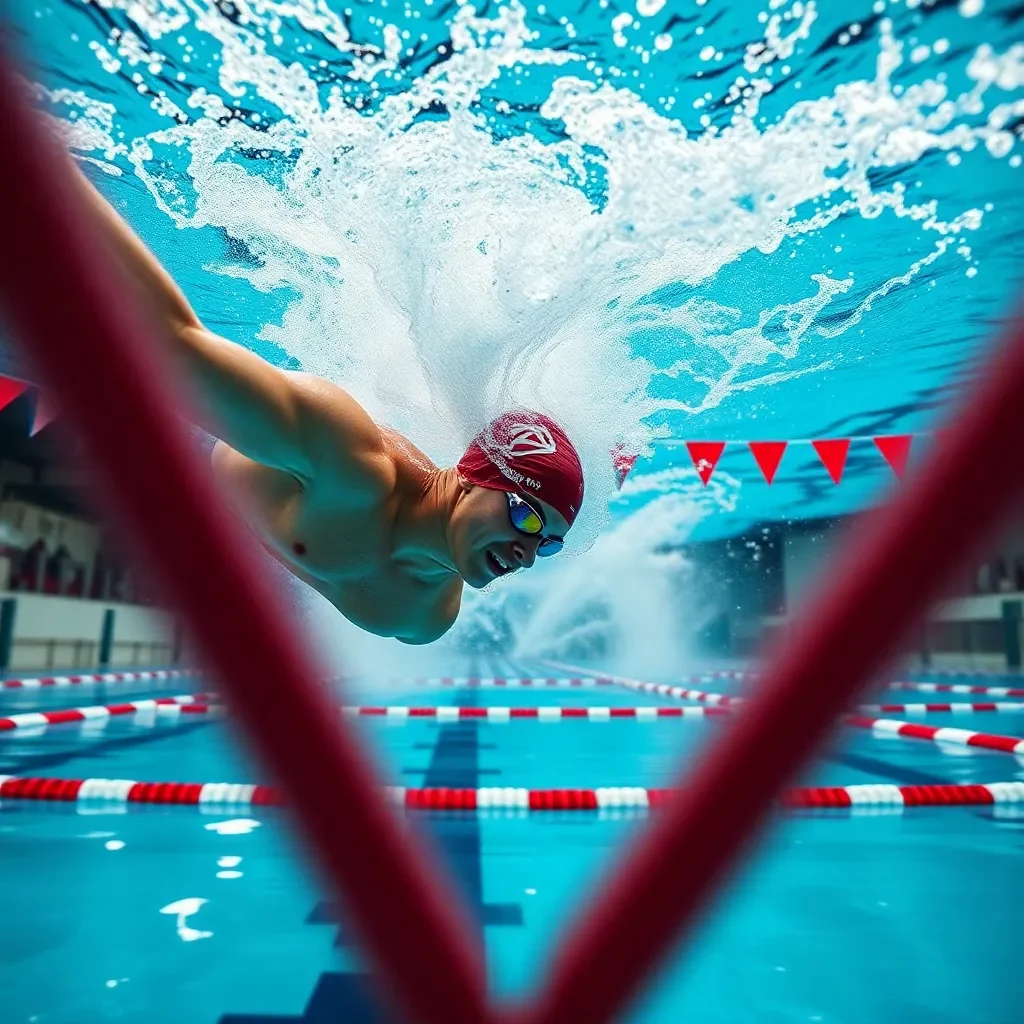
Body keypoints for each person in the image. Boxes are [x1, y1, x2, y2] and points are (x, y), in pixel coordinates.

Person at [72, 171, 585, 644]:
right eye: (527, 517)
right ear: (475, 476)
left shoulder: (428, 616)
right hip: (220, 443)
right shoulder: (349, 464)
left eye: (548, 545)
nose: (527, 554)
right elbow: (175, 340)